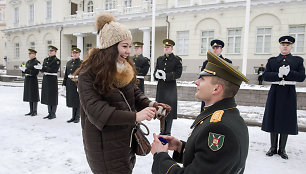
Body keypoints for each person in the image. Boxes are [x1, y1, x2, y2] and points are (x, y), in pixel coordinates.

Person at [75, 13, 170, 174]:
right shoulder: (88, 73)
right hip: (104, 146)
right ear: (111, 47)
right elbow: (97, 111)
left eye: (129, 46)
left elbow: (134, 93)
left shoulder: (123, 68)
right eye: (124, 46)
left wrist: (151, 105)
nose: (128, 52)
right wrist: (135, 117)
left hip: (125, 141)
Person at [151, 51, 249, 174]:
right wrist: (180, 147)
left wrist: (160, 156)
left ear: (216, 88)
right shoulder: (228, 115)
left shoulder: (219, 128)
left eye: (202, 79)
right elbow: (212, 162)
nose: (196, 82)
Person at [262, 36, 305, 159]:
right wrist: (278, 74)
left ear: (291, 47)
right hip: (275, 91)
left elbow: (302, 77)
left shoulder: (297, 61)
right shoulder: (272, 61)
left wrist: (289, 73)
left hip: (288, 92)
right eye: (283, 45)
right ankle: (273, 147)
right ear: (280, 46)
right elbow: (266, 76)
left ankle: (282, 149)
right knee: (273, 117)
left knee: (286, 119)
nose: (285, 47)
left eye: (288, 45)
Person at [153, 39, 183, 136]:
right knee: (161, 109)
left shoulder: (176, 60)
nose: (166, 49)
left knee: (169, 110)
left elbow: (178, 73)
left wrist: (166, 76)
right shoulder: (159, 59)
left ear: (172, 48)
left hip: (170, 89)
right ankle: (162, 130)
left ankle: (168, 131)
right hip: (161, 88)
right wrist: (156, 75)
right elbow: (155, 72)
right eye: (165, 47)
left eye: (168, 47)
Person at [200, 39, 232, 113]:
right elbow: (201, 77)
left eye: (217, 48)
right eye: (213, 48)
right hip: (208, 91)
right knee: (206, 113)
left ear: (221, 50)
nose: (215, 50)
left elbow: (229, 79)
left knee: (219, 113)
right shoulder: (206, 63)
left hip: (220, 91)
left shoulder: (227, 62)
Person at [34, 45, 61, 120]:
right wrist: (40, 68)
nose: (50, 52)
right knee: (47, 96)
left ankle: (53, 113)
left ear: (55, 52)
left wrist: (43, 68)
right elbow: (43, 69)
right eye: (49, 51)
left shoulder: (57, 60)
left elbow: (54, 70)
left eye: (52, 51)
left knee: (52, 96)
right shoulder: (46, 59)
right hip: (46, 78)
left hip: (52, 79)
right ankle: (49, 112)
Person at [62, 48, 82, 123]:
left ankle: (77, 117)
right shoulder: (69, 62)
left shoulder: (82, 63)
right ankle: (73, 116)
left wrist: (77, 78)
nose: (74, 54)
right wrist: (63, 84)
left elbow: (83, 74)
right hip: (70, 84)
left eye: (76, 53)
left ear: (79, 54)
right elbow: (66, 74)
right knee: (72, 101)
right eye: (73, 53)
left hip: (77, 83)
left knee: (77, 100)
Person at [19, 49, 40, 116]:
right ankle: (31, 110)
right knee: (29, 95)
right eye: (29, 54)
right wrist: (23, 69)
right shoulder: (28, 62)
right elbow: (26, 70)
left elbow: (35, 72)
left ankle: (34, 111)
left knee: (33, 95)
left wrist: (26, 70)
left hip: (33, 79)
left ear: (34, 54)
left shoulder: (36, 62)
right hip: (27, 79)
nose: (29, 55)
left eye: (31, 54)